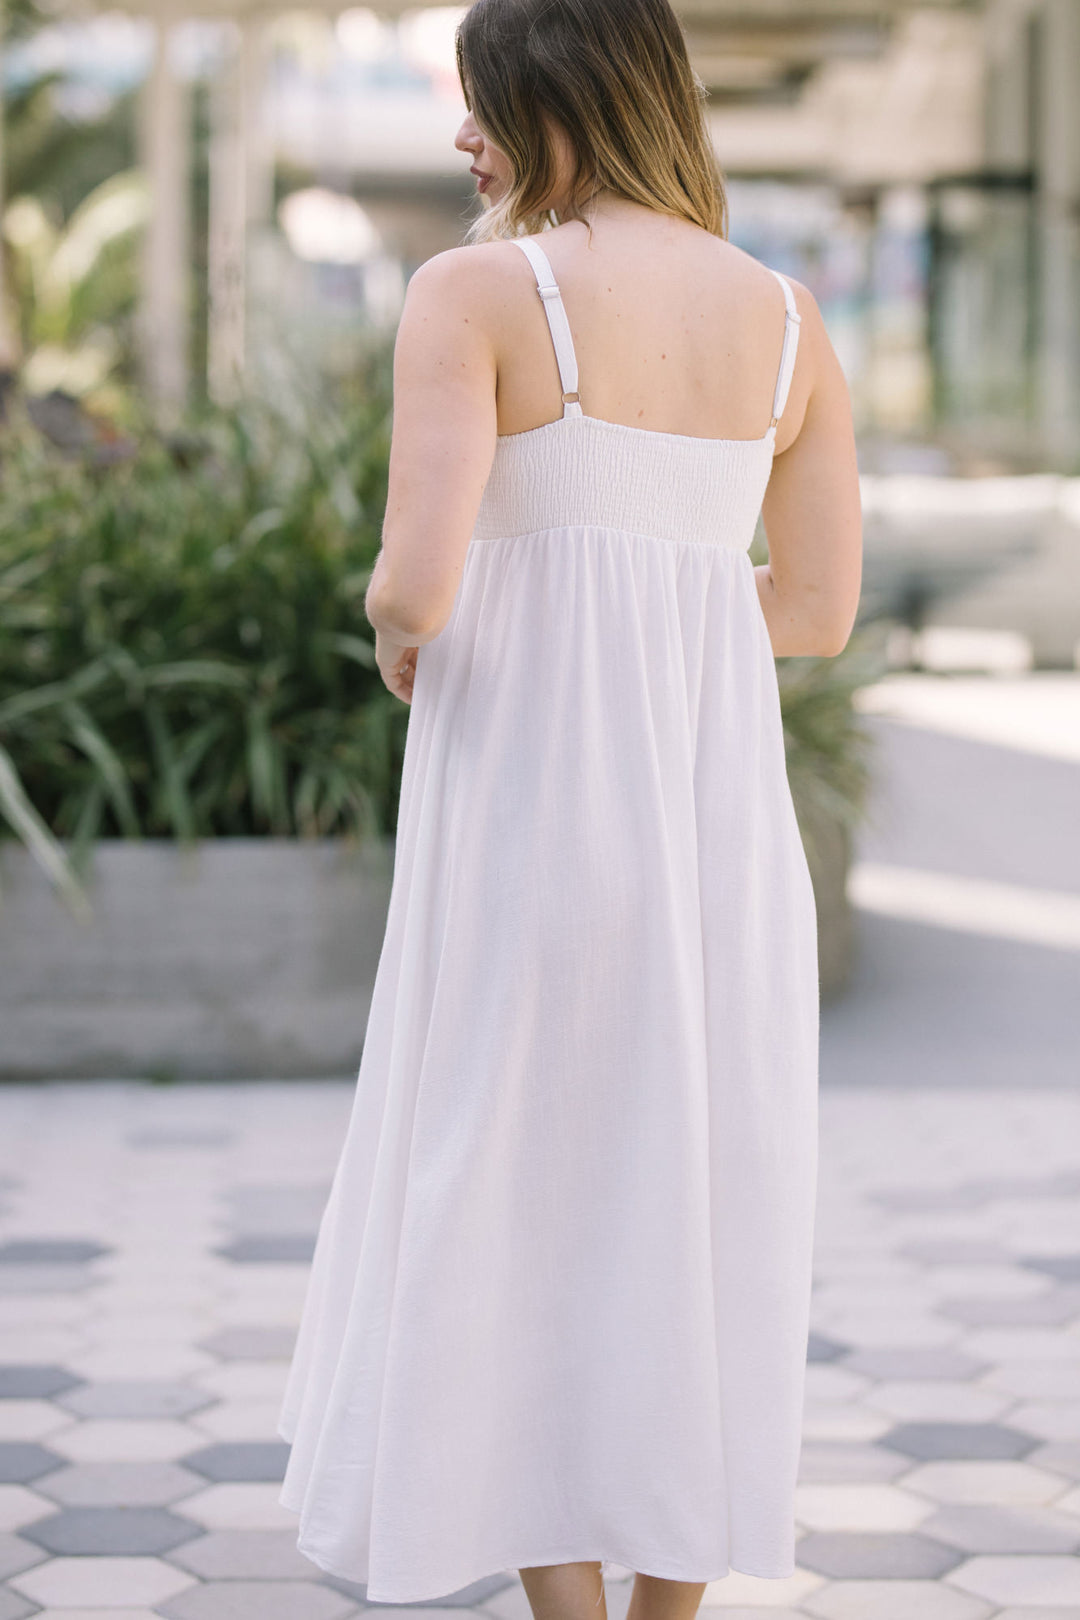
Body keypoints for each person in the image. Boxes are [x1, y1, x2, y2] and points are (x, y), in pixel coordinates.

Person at [276, 2, 862, 1618]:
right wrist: (658, 620)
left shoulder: (476, 292)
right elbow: (812, 608)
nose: (463, 139)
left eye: (480, 106)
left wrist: (419, 640)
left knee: (520, 1192)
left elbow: (416, 577)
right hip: (711, 836)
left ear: (558, 98)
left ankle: (567, 1612)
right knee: (693, 1200)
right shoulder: (793, 323)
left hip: (532, 820)